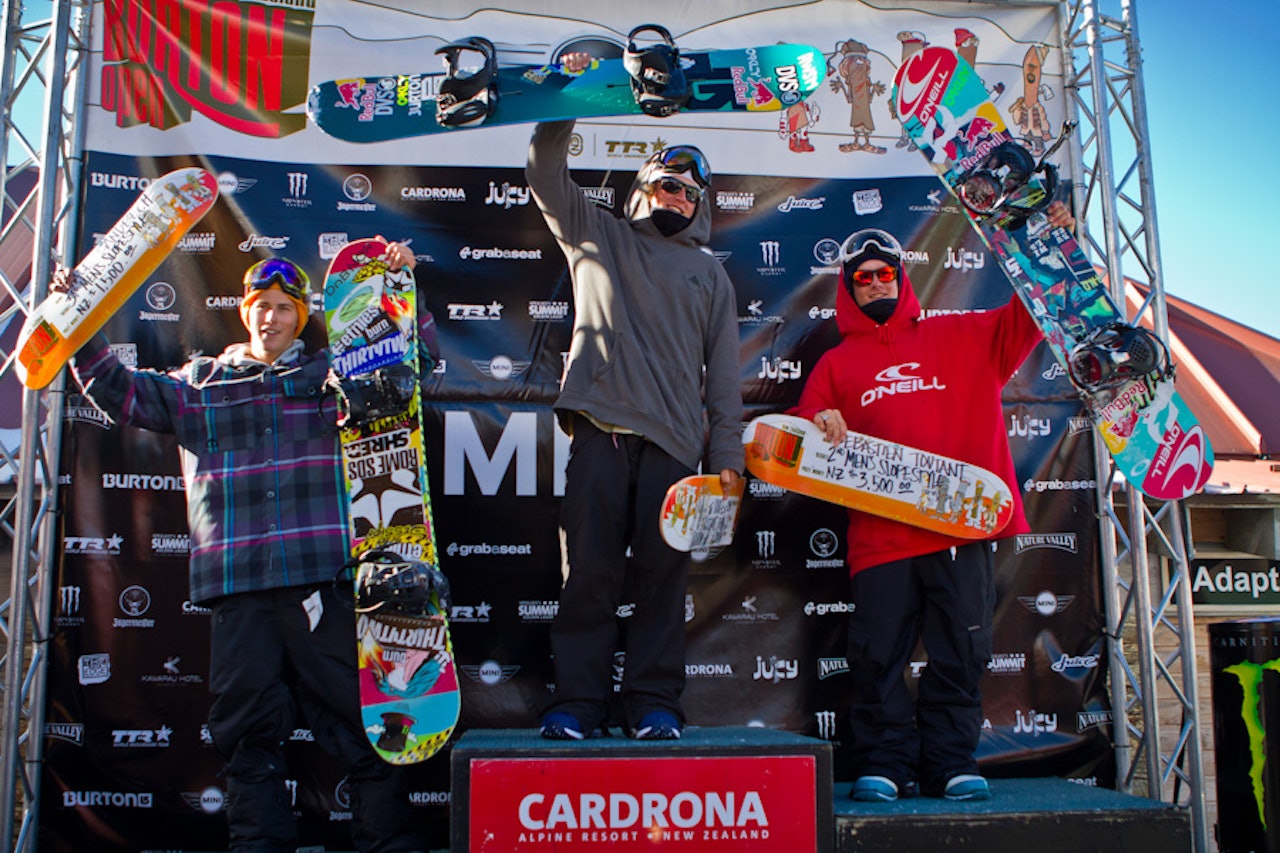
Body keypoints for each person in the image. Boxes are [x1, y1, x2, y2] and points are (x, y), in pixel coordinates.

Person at [66, 240, 433, 852]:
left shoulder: (333, 376)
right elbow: (114, 388)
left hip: (321, 581)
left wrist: (399, 288)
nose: (271, 317)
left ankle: (387, 842)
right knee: (245, 735)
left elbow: (409, 365)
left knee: (361, 723)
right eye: (260, 305)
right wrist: (76, 318)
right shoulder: (199, 384)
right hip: (238, 588)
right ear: (245, 312)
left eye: (284, 308)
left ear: (301, 316)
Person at [790, 206, 1073, 803]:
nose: (874, 284)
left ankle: (950, 762)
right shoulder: (836, 364)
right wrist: (817, 419)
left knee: (960, 654)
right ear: (848, 288)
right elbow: (794, 435)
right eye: (861, 277)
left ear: (902, 278)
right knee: (876, 659)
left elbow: (1033, 308)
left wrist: (1051, 241)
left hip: (958, 530)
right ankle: (887, 765)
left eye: (883, 274)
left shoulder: (964, 334)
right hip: (879, 540)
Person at [525, 53, 745, 742]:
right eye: (664, 186)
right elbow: (542, 170)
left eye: (688, 193)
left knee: (661, 583)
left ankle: (654, 704)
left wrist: (729, 459)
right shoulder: (596, 234)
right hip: (601, 433)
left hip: (678, 453)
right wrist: (573, 94)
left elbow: (725, 380)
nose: (675, 199)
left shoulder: (710, 275)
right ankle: (577, 704)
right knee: (588, 573)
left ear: (701, 207)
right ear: (639, 193)